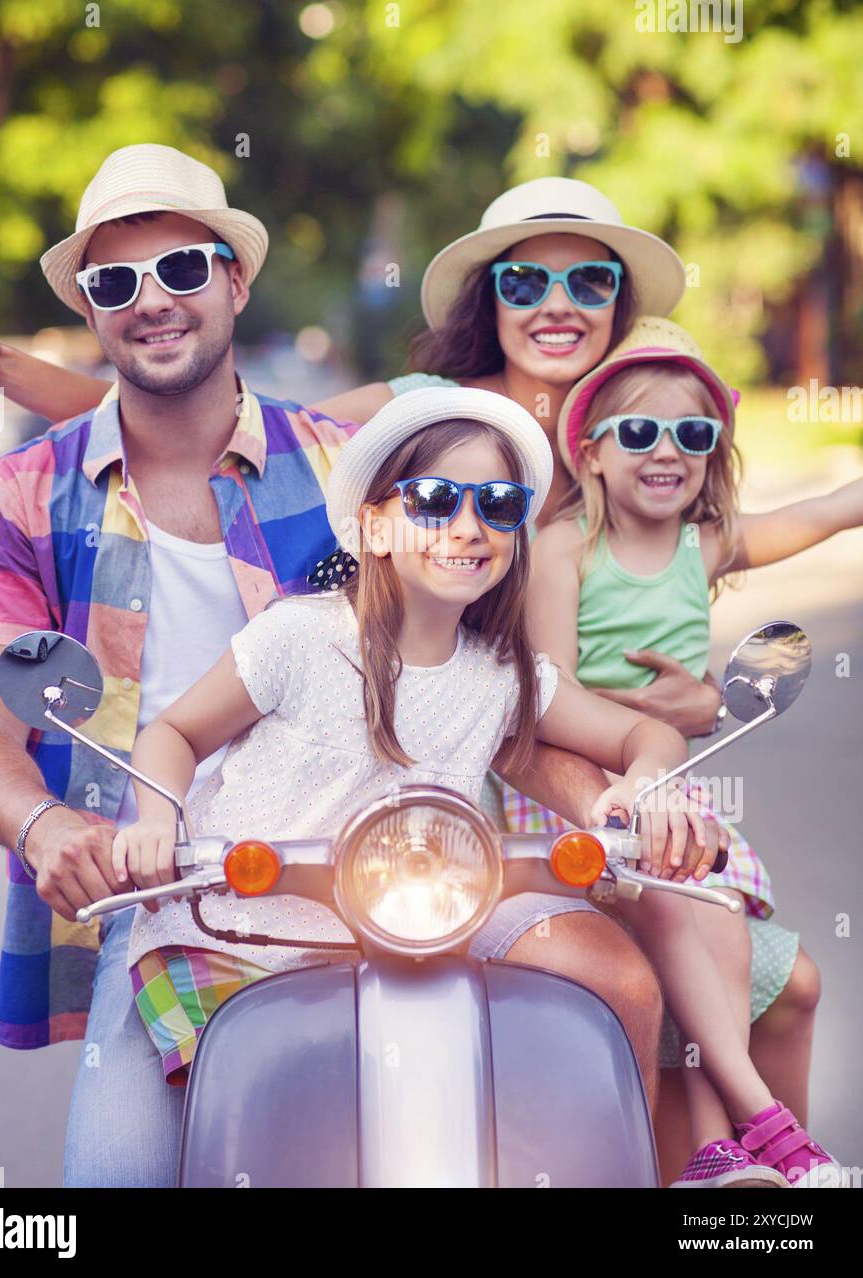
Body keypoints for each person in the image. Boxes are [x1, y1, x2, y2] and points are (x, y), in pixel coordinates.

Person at [0, 147, 673, 1187]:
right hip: (176, 887)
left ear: (234, 281)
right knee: (116, 1175)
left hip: (401, 869)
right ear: (95, 310)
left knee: (594, 1001)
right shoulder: (23, 491)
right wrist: (48, 824)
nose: (152, 302)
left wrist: (628, 797)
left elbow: (487, 693)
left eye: (183, 270)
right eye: (115, 282)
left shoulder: (353, 470)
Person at [112, 388, 704, 1098]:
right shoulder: (302, 636)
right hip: (230, 930)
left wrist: (646, 783)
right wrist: (157, 818)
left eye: (499, 504)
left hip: (396, 936)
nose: (468, 524)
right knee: (266, 1108)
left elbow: (650, 732)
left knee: (458, 1079)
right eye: (433, 499)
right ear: (375, 528)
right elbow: (173, 732)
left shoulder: (503, 676)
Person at [531, 317, 862, 1187]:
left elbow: (823, 512)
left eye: (693, 434)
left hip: (669, 800)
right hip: (577, 794)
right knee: (689, 913)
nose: (666, 451)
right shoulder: (564, 548)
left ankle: (721, 1155)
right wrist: (650, 725)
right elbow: (544, 691)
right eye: (639, 431)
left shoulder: (701, 545)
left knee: (722, 932)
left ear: (713, 452)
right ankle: (757, 1135)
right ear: (592, 453)